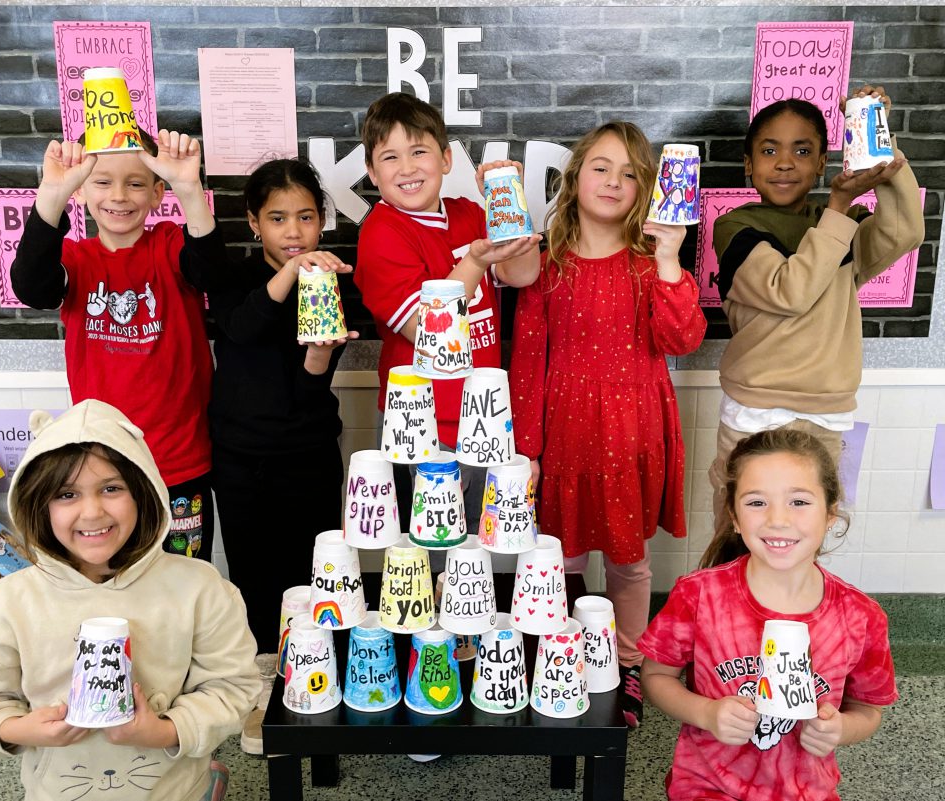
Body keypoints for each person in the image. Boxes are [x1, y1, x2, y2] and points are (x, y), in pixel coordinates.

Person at [0, 399, 261, 801]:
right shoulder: (9, 602)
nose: (92, 512)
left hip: (175, 792)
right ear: (39, 504)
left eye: (111, 488)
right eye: (66, 494)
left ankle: (210, 781)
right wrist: (18, 729)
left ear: (143, 493)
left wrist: (164, 731)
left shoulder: (201, 589)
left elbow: (233, 689)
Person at [510, 121, 706, 727]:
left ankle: (626, 666)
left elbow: (683, 337)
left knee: (628, 559)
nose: (613, 181)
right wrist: (526, 449)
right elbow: (527, 358)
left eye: (629, 172)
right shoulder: (546, 263)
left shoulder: (652, 265)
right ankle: (560, 652)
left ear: (646, 187)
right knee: (560, 557)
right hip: (564, 428)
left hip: (631, 428)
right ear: (574, 179)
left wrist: (672, 257)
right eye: (600, 167)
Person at [708, 87, 924, 537]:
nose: (785, 162)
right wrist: (840, 208)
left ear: (822, 162)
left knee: (803, 542)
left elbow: (905, 230)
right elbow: (790, 292)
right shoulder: (736, 226)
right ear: (749, 165)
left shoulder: (838, 226)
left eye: (802, 150)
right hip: (756, 410)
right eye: (769, 151)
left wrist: (877, 144)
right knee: (739, 538)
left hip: (826, 415)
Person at [639, 429, 897, 801]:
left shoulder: (860, 617)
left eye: (799, 502)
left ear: (830, 514)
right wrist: (706, 713)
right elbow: (656, 677)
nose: (778, 519)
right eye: (757, 503)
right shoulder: (699, 595)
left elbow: (868, 710)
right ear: (735, 517)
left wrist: (840, 728)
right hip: (707, 786)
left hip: (806, 790)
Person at [11, 129, 221, 561]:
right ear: (83, 187)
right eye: (103, 181)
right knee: (110, 587)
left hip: (180, 464)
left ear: (157, 191)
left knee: (182, 586)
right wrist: (52, 194)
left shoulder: (169, 245)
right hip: (101, 470)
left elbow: (211, 272)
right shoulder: (75, 259)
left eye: (137, 182)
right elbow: (32, 286)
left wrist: (189, 188)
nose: (119, 196)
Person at [206, 158, 355, 754]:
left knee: (313, 576)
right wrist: (292, 272)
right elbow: (240, 329)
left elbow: (311, 386)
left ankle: (316, 687)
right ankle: (263, 694)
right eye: (277, 219)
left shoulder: (330, 283)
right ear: (253, 222)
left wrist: (320, 353)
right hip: (240, 457)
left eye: (306, 217)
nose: (293, 231)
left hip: (309, 453)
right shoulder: (236, 277)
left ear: (322, 220)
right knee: (253, 581)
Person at [354, 92, 541, 532]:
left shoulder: (469, 214)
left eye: (419, 152)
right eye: (390, 157)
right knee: (430, 546)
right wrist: (475, 262)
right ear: (371, 171)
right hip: (421, 425)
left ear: (444, 158)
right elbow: (427, 333)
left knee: (477, 543)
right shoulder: (380, 234)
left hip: (483, 413)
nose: (407, 168)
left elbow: (524, 273)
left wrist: (508, 204)